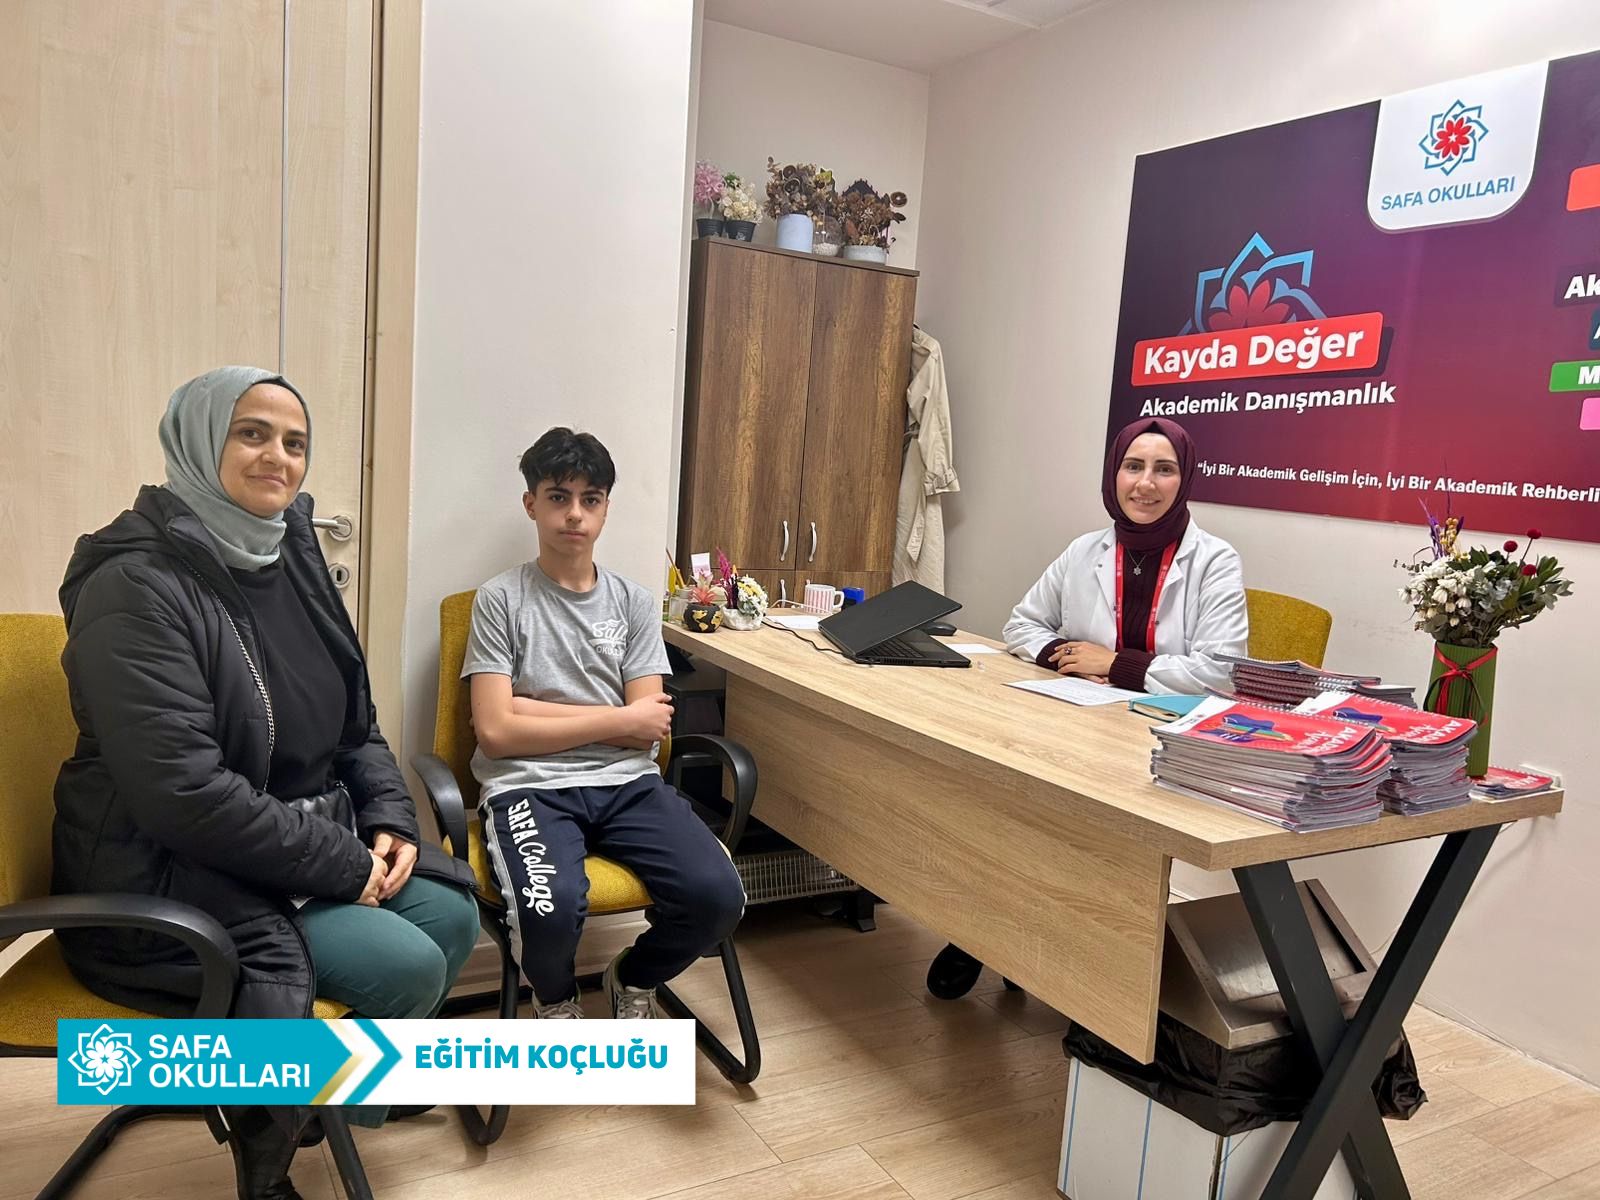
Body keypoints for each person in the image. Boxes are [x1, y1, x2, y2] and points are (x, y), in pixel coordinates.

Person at [52, 367, 480, 1200]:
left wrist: (390, 820)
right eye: (251, 433)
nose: (277, 457)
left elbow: (356, 726)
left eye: (295, 442)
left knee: (452, 915)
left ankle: (332, 1099)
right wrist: (346, 865)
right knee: (404, 966)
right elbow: (184, 794)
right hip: (171, 873)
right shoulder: (133, 585)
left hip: (290, 847)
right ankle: (277, 1136)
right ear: (196, 439)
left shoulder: (293, 556)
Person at [926, 416, 1247, 1000]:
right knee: (1005, 806)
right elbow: (1022, 624)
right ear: (1113, 474)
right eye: (1133, 466)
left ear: (1185, 479)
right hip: (1074, 724)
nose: (1145, 483)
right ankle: (985, 930)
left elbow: (1219, 673)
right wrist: (1066, 656)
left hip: (1157, 742)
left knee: (1092, 855)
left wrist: (1116, 665)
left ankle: (1094, 988)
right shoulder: (1085, 551)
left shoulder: (1214, 561)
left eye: (1164, 469)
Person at [463, 427, 746, 1021]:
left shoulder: (634, 603)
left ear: (606, 508)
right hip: (528, 786)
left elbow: (648, 727)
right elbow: (496, 734)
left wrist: (528, 708)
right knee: (547, 915)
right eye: (558, 496)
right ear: (531, 504)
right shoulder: (499, 599)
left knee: (718, 897)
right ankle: (555, 1000)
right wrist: (616, 717)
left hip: (627, 783)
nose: (574, 513)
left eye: (590, 499)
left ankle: (633, 977)